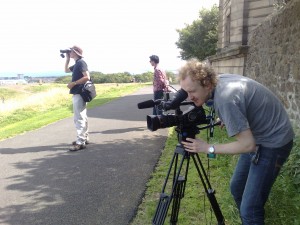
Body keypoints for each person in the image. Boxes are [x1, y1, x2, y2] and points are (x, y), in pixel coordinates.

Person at [179, 59, 294, 225]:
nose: (189, 97)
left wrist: (207, 148)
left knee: (250, 208)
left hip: (274, 142)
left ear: (207, 84)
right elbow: (243, 101)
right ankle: (251, 219)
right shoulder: (219, 82)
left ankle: (251, 216)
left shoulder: (225, 99)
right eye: (185, 92)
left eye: (192, 92)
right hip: (260, 135)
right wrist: (229, 116)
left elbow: (247, 145)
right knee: (237, 188)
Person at [64, 45, 90, 151]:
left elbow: (87, 77)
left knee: (78, 117)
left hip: (79, 92)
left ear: (76, 52)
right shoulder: (77, 64)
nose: (69, 52)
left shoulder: (81, 63)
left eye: (70, 51)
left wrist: (73, 83)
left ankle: (80, 142)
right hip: (78, 92)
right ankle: (85, 137)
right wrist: (67, 59)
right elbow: (66, 70)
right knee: (82, 116)